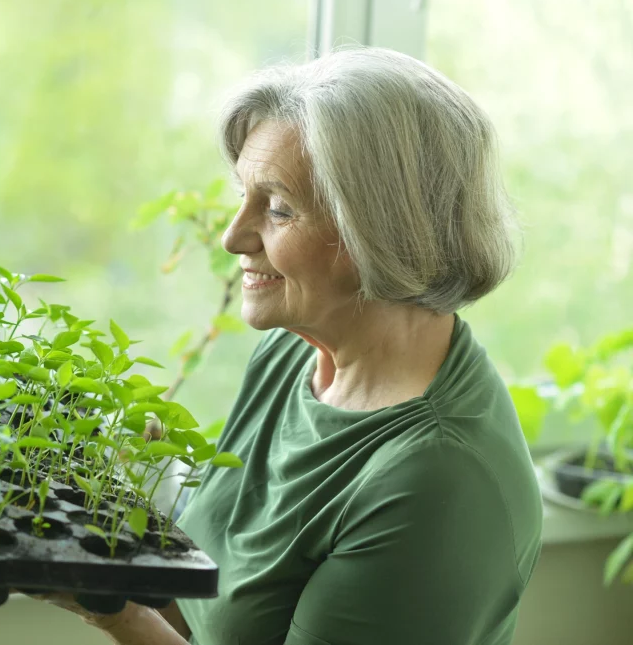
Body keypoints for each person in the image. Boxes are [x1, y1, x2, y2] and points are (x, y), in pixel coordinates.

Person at [33, 46, 543, 645]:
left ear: (379, 230)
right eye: (243, 196)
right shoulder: (293, 356)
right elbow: (220, 616)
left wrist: (116, 609)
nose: (231, 236)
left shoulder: (439, 483)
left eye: (278, 208)